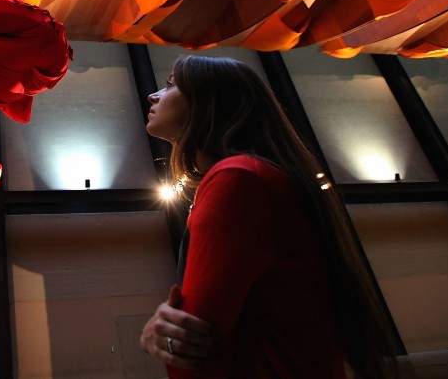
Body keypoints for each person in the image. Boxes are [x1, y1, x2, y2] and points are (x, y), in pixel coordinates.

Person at [138, 54, 398, 378]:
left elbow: (196, 342)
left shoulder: (238, 179)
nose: (154, 95)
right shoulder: (259, 176)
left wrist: (165, 341)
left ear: (211, 100)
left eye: (170, 85)